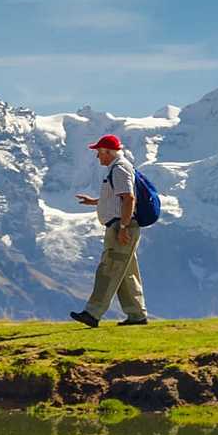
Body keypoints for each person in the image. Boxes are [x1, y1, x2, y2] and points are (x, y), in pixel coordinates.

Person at [69, 134, 148, 327]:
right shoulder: (118, 168)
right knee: (126, 273)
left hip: (121, 226)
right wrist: (95, 202)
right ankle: (137, 315)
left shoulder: (120, 169)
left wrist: (123, 227)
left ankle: (92, 313)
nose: (98, 157)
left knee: (109, 270)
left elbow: (129, 199)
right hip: (121, 225)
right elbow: (117, 198)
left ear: (108, 152)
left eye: (99, 152)